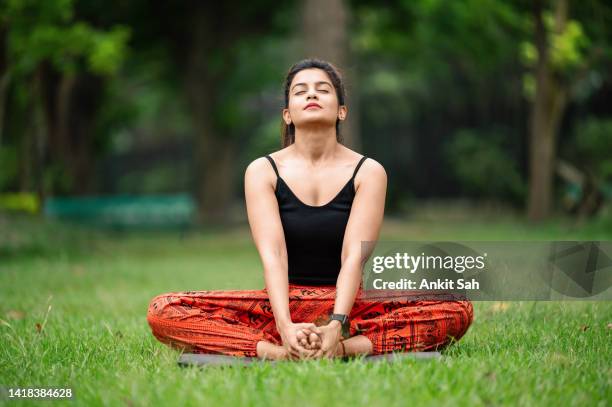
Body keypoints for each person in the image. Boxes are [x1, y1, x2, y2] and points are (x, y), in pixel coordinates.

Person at [147, 59, 473, 360]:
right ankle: (278, 351)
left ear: (341, 111)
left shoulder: (368, 171)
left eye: (323, 89)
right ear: (287, 113)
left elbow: (353, 257)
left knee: (456, 306)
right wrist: (285, 324)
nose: (312, 95)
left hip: (351, 309)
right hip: (277, 308)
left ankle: (342, 348)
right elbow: (274, 256)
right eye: (300, 91)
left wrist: (335, 325)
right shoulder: (262, 171)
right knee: (164, 309)